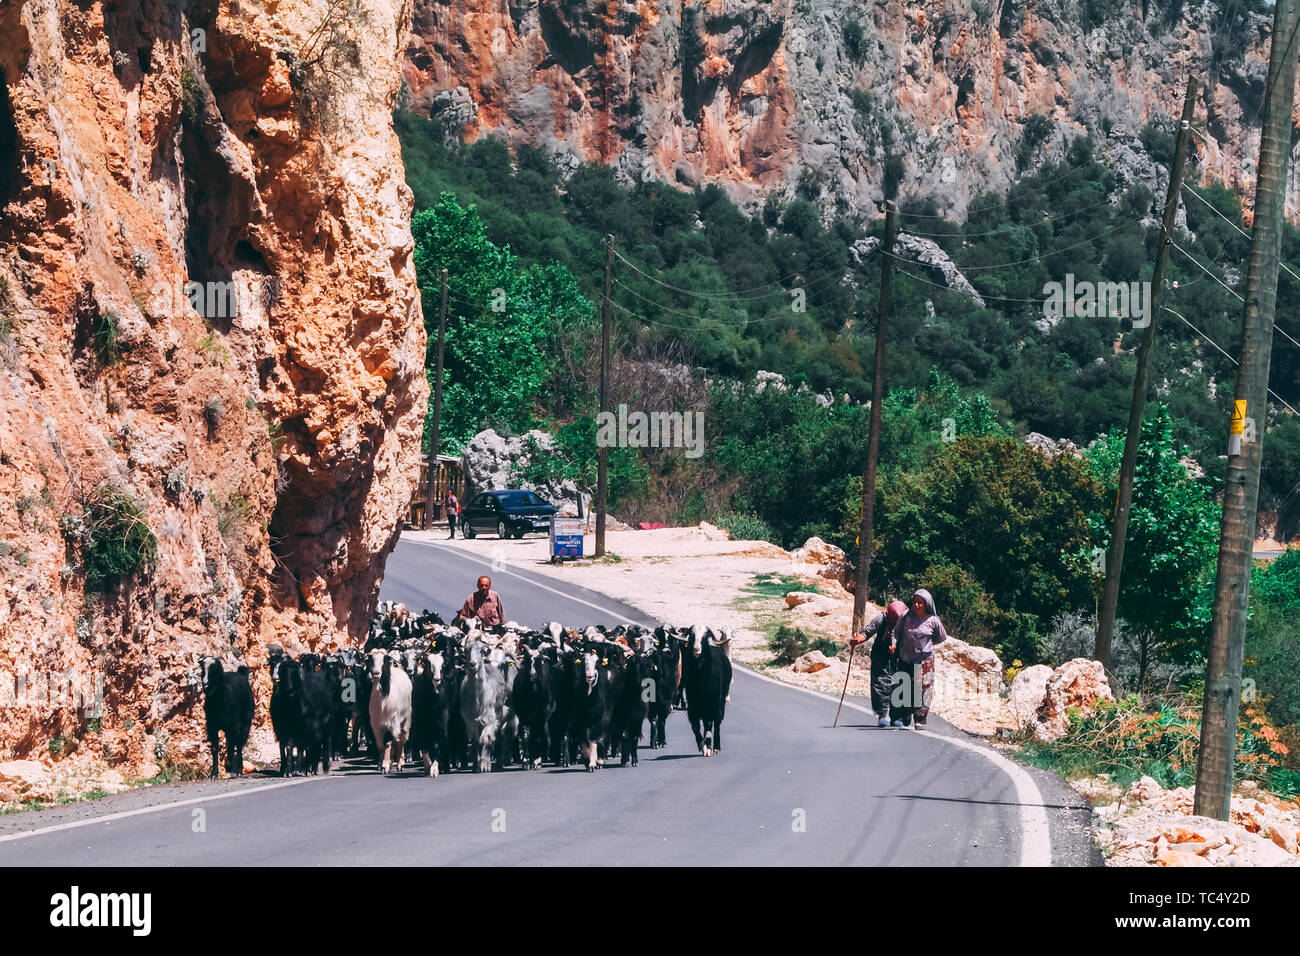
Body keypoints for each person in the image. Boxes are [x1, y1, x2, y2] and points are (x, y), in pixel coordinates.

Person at [891, 588, 948, 729]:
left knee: (924, 689)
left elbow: (941, 637)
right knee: (907, 688)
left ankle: (920, 719)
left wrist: (927, 645)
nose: (916, 605)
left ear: (927, 604)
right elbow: (896, 632)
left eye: (920, 603)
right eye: (915, 602)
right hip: (906, 658)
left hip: (925, 660)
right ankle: (907, 713)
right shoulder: (905, 616)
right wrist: (893, 644)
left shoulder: (933, 621)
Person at [849, 599, 909, 726]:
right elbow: (867, 631)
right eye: (892, 619)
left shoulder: (908, 621)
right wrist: (857, 640)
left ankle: (897, 717)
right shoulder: (881, 618)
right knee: (880, 683)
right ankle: (882, 715)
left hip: (900, 656)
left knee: (899, 683)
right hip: (880, 654)